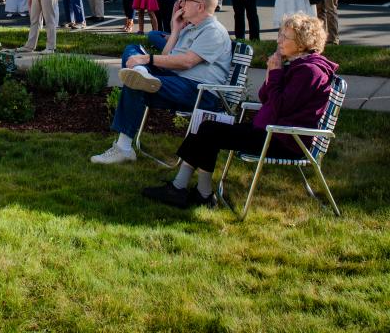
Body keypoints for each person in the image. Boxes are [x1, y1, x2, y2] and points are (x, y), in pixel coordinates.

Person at [142, 14, 337, 209]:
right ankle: (193, 191)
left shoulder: (310, 72)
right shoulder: (296, 65)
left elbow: (281, 107)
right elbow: (265, 98)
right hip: (270, 131)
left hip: (284, 140)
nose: (279, 41)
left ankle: (193, 191)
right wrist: (272, 75)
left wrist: (276, 73)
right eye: (280, 35)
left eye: (285, 37)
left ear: (303, 42)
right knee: (206, 127)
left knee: (209, 131)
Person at [90, 0, 231, 165]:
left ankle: (123, 147)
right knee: (133, 56)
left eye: (185, 0)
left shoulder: (213, 31)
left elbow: (187, 62)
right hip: (180, 82)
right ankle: (124, 147)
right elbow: (167, 58)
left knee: (137, 79)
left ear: (200, 6)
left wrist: (147, 59)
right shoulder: (190, 28)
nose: (181, 4)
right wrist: (175, 31)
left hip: (201, 92)